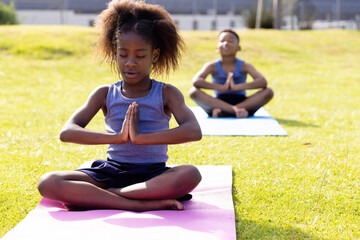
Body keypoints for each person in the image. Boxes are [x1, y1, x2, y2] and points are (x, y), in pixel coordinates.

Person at [37, 0, 202, 212]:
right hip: (110, 173)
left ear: (155, 55)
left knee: (190, 174)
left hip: (153, 175)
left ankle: (109, 197)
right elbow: (68, 132)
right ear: (115, 53)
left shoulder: (166, 93)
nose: (130, 62)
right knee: (48, 182)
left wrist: (140, 138)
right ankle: (136, 203)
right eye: (123, 54)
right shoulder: (104, 93)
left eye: (140, 56)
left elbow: (193, 131)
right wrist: (118, 137)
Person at [189, 29, 274, 118]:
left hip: (243, 102)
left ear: (239, 48)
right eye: (222, 41)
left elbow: (262, 82)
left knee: (268, 92)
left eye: (230, 41)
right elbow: (196, 81)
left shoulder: (245, 66)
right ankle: (236, 111)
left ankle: (224, 112)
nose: (225, 43)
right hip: (218, 102)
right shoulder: (211, 66)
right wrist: (223, 87)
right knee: (193, 91)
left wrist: (236, 87)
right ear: (217, 47)